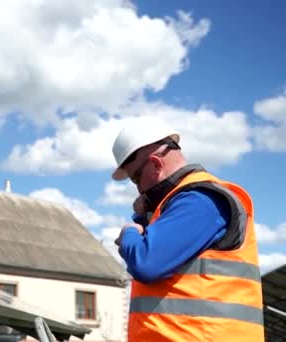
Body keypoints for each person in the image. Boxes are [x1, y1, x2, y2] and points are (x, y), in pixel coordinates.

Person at [111, 121, 264, 341]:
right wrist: (144, 217)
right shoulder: (178, 205)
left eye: (136, 178)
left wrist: (129, 232)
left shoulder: (200, 201)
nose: (138, 188)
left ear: (155, 164)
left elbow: (145, 262)